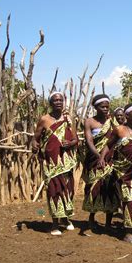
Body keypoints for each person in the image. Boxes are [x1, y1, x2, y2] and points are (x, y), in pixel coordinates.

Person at [99, 103, 132, 243]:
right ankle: (127, 233)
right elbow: (108, 145)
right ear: (127, 115)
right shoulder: (119, 130)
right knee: (129, 198)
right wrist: (101, 158)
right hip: (122, 171)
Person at [32, 91, 78, 236]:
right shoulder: (44, 120)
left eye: (60, 100)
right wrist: (34, 146)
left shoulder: (69, 119)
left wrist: (70, 143)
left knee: (67, 190)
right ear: (50, 103)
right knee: (54, 191)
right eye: (55, 100)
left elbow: (76, 139)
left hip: (66, 161)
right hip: (51, 162)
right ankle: (54, 224)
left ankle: (65, 219)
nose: (58, 102)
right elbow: (36, 138)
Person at [81, 94, 119, 230]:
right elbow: (89, 141)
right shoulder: (89, 122)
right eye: (102, 107)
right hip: (93, 160)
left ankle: (109, 222)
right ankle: (91, 218)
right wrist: (98, 157)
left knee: (110, 188)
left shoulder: (113, 122)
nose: (105, 109)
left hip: (111, 159)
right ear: (95, 107)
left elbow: (115, 139)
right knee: (93, 188)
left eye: (107, 107)